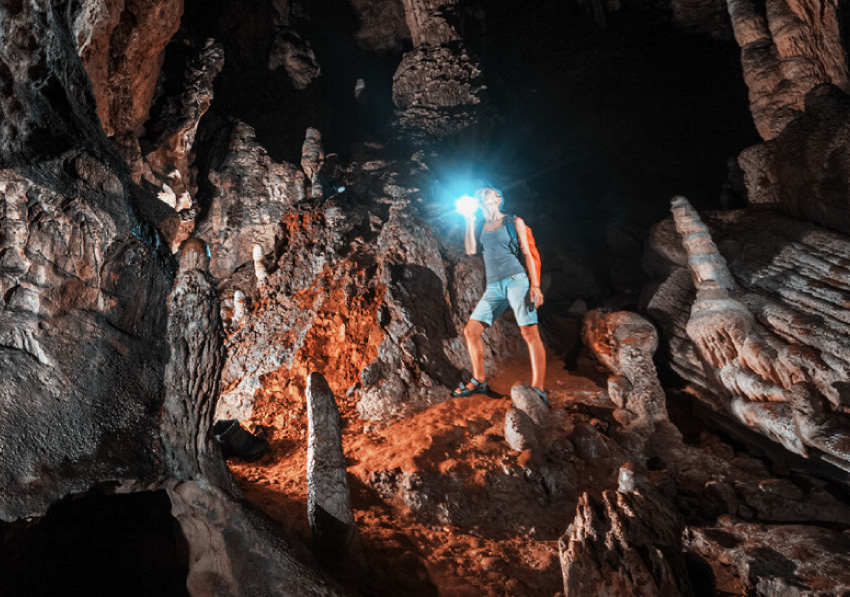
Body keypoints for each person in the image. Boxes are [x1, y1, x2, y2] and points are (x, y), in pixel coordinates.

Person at [452, 186, 548, 405]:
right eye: (478, 193)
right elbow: (470, 250)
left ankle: (539, 389)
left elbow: (527, 253)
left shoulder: (515, 222)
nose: (481, 194)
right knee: (471, 331)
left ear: (497, 198)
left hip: (517, 281)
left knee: (529, 333)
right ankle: (479, 380)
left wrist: (536, 285)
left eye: (486, 191)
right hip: (494, 286)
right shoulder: (481, 225)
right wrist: (468, 220)